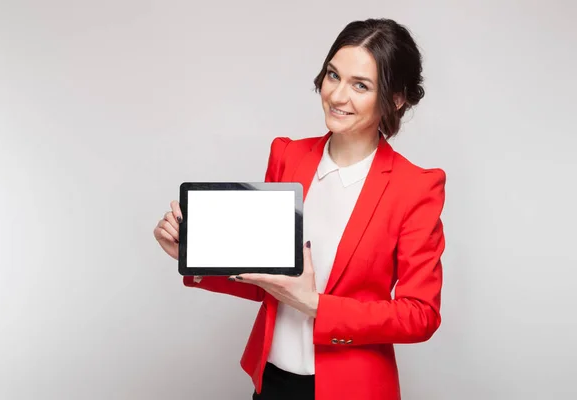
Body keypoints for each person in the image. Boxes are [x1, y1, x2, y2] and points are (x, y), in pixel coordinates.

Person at [154, 18, 446, 400]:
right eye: (333, 75)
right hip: (272, 381)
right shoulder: (288, 156)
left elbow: (420, 314)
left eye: (361, 85)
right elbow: (267, 277)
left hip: (352, 390)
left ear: (395, 99)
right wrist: (191, 256)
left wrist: (315, 305)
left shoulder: (414, 187)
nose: (338, 96)